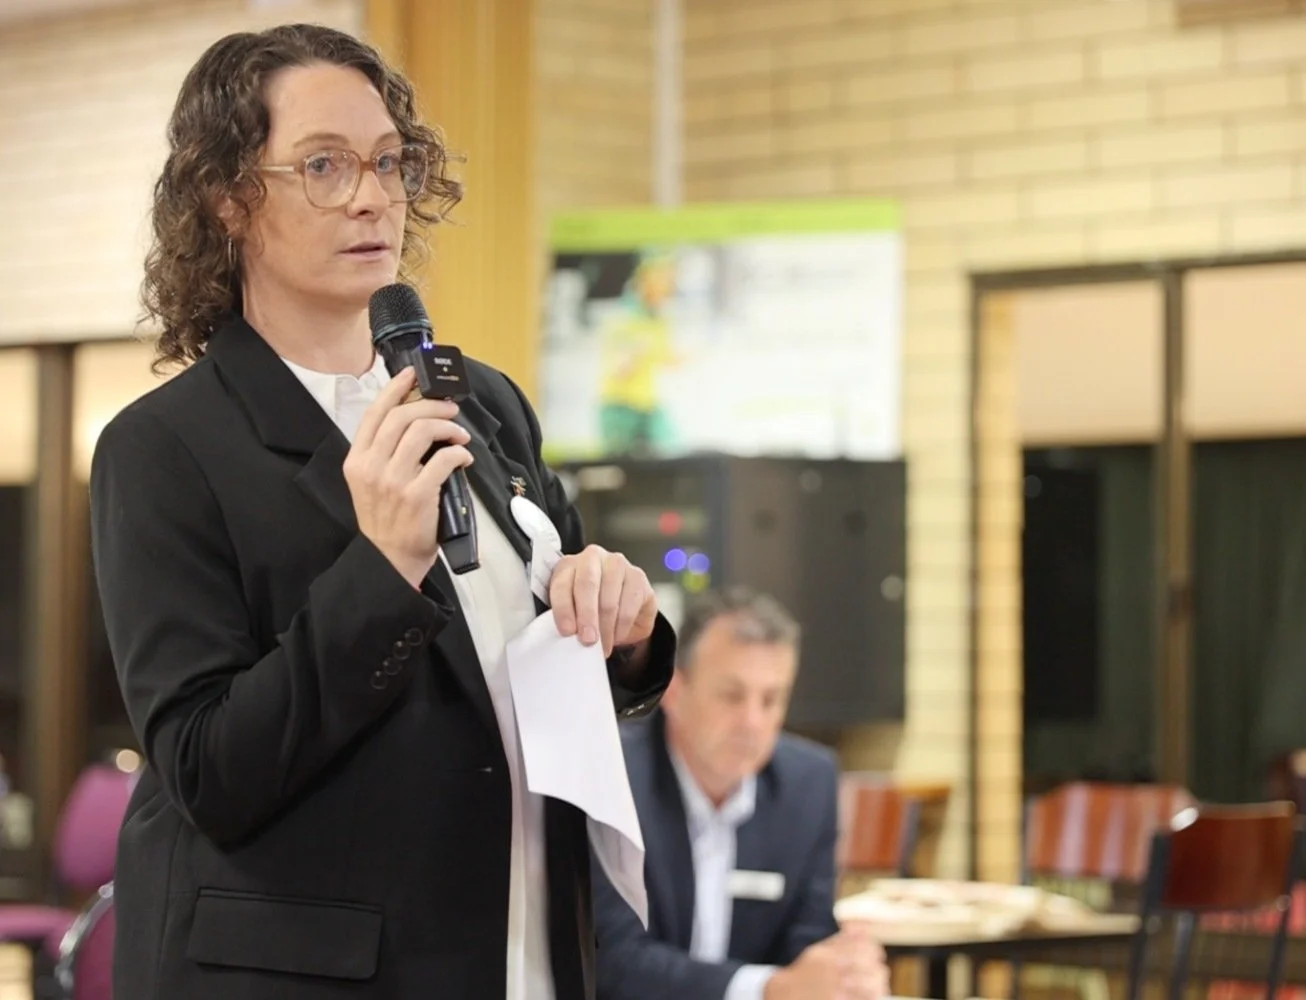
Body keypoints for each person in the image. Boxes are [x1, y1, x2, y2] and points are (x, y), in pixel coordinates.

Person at [89, 23, 674, 1000]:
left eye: (389, 162)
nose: (371, 196)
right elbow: (206, 772)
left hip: (521, 939)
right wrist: (381, 569)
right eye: (323, 165)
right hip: (312, 975)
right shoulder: (166, 448)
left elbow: (540, 655)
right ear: (228, 197)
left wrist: (627, 627)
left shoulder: (483, 401)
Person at [593, 587, 888, 1000]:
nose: (752, 722)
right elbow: (613, 962)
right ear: (674, 691)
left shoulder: (808, 784)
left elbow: (806, 940)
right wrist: (766, 989)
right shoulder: (614, 776)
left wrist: (841, 972)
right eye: (732, 696)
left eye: (771, 700)